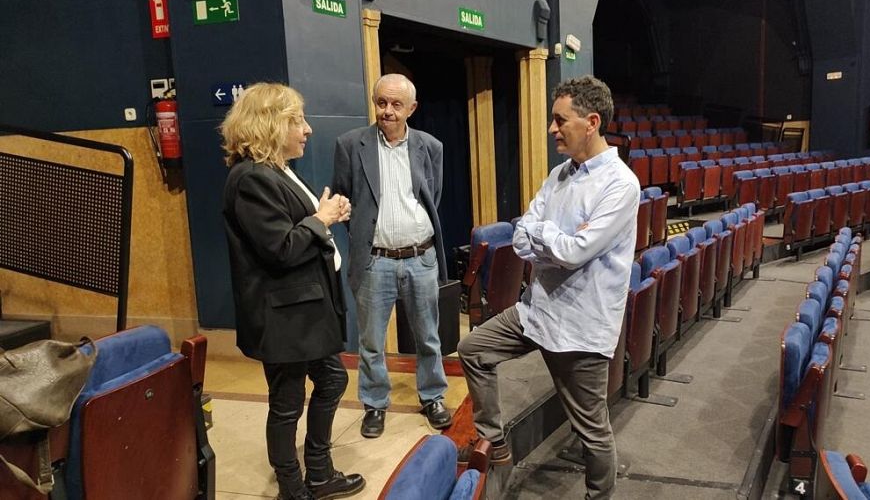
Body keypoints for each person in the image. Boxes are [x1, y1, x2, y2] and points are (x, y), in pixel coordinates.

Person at [456, 76, 639, 500]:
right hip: (537, 310)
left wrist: (545, 236)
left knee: (592, 429)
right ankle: (494, 442)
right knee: (473, 350)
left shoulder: (620, 183)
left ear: (591, 122)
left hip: (580, 326)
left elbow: (575, 252)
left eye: (560, 120)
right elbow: (522, 233)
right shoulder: (559, 175)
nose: (552, 129)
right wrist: (551, 237)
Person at [221, 83, 365, 500]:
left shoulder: (277, 171)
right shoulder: (250, 178)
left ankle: (318, 473)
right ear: (269, 124)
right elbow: (280, 248)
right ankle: (292, 487)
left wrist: (325, 214)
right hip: (284, 317)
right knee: (286, 403)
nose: (307, 130)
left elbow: (297, 226)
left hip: (304, 311)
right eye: (297, 121)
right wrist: (321, 219)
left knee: (332, 380)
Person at [332, 73, 451, 438]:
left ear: (411, 108)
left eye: (396, 104)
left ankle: (433, 396)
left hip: (421, 258)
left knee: (428, 337)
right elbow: (343, 200)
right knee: (371, 342)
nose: (387, 111)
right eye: (381, 102)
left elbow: (432, 197)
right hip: (375, 260)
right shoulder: (350, 144)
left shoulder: (430, 146)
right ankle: (374, 404)